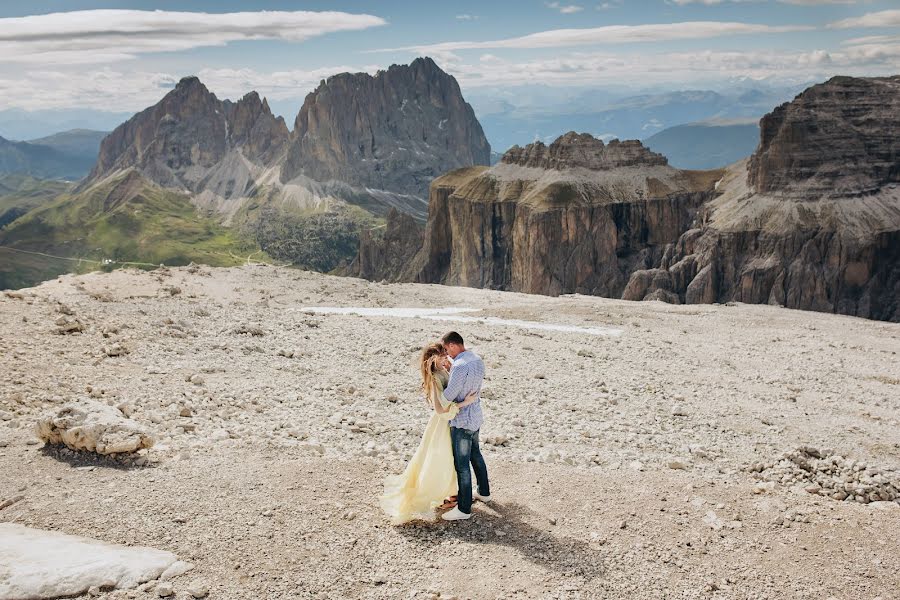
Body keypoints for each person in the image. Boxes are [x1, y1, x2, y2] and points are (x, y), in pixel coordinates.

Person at [379, 343, 477, 525]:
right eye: (443, 355)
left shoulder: (441, 372)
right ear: (435, 358)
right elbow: (440, 409)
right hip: (441, 424)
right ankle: (445, 495)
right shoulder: (434, 378)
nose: (447, 358)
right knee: (441, 460)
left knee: (447, 459)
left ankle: (452, 494)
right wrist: (466, 402)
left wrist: (448, 369)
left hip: (446, 422)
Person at [439, 331, 491, 522]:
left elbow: (449, 396)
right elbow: (467, 378)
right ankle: (484, 492)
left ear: (453, 345)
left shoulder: (459, 366)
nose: (447, 354)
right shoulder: (476, 358)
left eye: (446, 349)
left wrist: (438, 396)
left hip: (462, 421)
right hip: (475, 416)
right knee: (475, 453)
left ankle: (463, 508)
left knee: (462, 465)